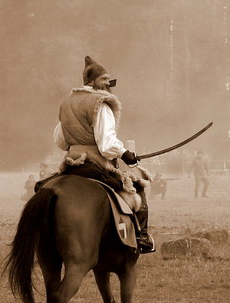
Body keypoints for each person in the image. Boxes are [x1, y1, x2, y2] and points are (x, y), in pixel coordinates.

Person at [52, 56, 154, 253]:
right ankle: (141, 237)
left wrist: (77, 145)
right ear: (90, 81)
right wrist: (125, 154)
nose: (108, 83)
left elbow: (60, 140)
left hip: (71, 163)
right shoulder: (101, 103)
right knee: (138, 189)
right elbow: (107, 144)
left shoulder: (67, 103)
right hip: (96, 164)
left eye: (108, 79)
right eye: (104, 79)